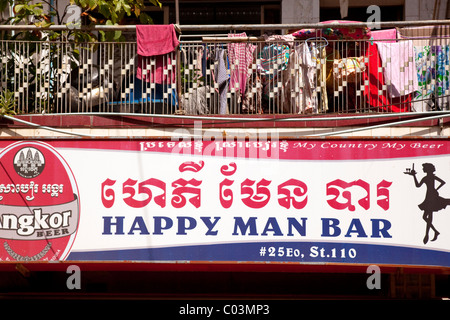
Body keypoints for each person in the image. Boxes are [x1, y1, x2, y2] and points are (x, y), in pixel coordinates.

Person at [404, 163, 450, 244]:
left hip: (432, 197)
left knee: (428, 216)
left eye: (423, 168)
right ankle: (435, 232)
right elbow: (418, 185)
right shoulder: (426, 178)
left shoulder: (430, 177)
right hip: (429, 196)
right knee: (425, 217)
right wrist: (414, 176)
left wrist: (436, 189)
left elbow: (443, 182)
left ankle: (427, 235)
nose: (422, 169)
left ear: (428, 169)